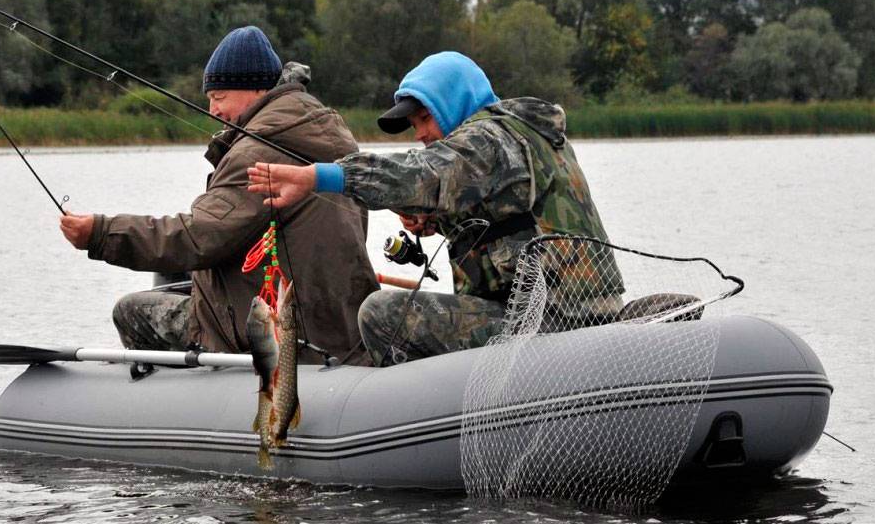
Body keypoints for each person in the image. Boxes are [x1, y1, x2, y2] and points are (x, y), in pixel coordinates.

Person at [247, 51, 622, 366]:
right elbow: (510, 215)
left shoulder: (487, 139)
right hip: (581, 309)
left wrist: (319, 177)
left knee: (383, 314)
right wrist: (437, 221)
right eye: (414, 124)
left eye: (425, 118)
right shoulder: (521, 133)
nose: (420, 134)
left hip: (550, 321)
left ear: (456, 101)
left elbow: (420, 174)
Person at [59, 26, 378, 364]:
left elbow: (198, 238)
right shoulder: (331, 136)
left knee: (132, 310)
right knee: (178, 278)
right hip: (340, 326)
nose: (212, 110)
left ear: (256, 89)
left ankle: (188, 404)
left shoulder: (256, 153)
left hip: (284, 336)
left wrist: (100, 233)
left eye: (219, 97)